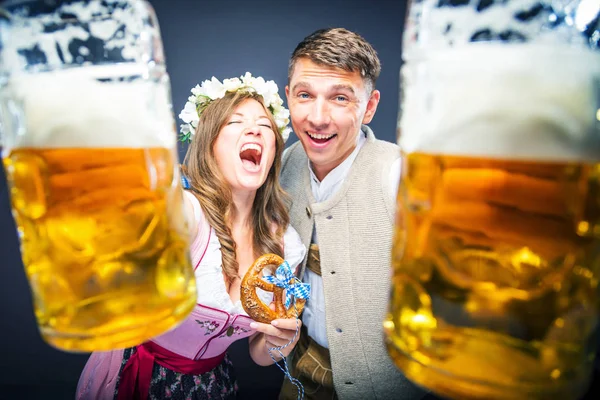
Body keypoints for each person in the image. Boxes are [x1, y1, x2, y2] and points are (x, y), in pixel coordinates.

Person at [76, 73, 306, 400]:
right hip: (136, 375)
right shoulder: (187, 213)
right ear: (208, 143)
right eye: (235, 122)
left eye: (265, 126)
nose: (254, 129)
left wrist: (278, 342)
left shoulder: (285, 244)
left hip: (213, 385)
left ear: (272, 152)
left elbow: (259, 352)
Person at [278, 28, 427, 400]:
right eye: (305, 95)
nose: (317, 118)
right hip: (296, 381)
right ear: (288, 97)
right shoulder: (282, 165)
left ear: (370, 106)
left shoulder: (401, 176)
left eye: (340, 98)